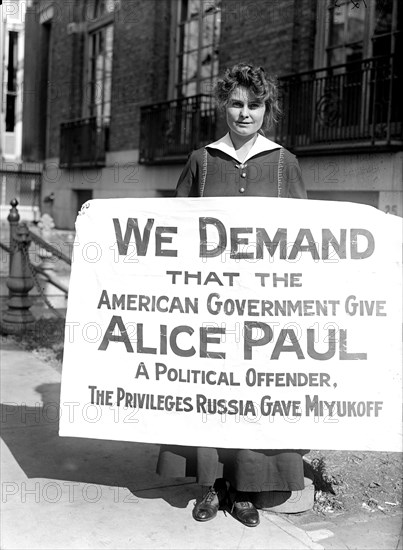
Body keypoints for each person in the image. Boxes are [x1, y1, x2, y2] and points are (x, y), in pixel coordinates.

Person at [157, 63, 308, 528]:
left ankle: (243, 489)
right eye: (237, 103)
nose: (245, 113)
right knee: (207, 391)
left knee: (251, 392)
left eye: (255, 105)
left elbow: (308, 236)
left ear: (268, 110)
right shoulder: (202, 160)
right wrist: (101, 218)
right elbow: (168, 229)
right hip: (206, 302)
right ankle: (208, 485)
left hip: (262, 304)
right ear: (224, 106)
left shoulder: (284, 163)